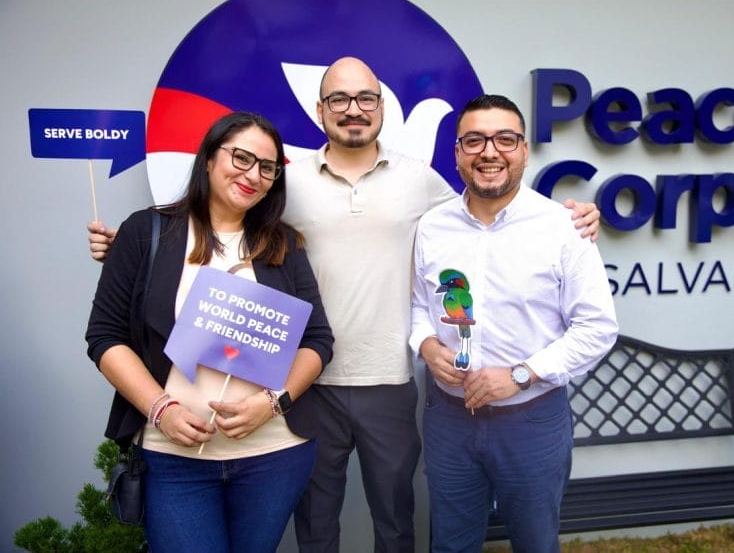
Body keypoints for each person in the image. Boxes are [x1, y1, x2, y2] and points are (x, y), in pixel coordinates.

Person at [87, 57, 602, 553]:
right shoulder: (285, 181)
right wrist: (128, 252)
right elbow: (215, 237)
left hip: (387, 379)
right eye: (339, 99)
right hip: (306, 387)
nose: (353, 109)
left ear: (382, 106)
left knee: (396, 521)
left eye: (365, 98)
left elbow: (481, 213)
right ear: (320, 110)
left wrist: (574, 216)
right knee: (315, 525)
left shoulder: (421, 181)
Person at [86, 111, 334, 552]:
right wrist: (161, 408)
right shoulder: (146, 232)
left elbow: (317, 341)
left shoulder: (284, 244)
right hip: (172, 458)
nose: (253, 175)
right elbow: (105, 337)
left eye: (267, 168)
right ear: (208, 158)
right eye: (241, 158)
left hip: (274, 456)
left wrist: (272, 403)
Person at [409, 94, 618, 553]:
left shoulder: (564, 227)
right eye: (475, 141)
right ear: (457, 153)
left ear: (524, 150)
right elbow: (420, 305)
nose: (490, 152)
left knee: (535, 543)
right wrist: (425, 344)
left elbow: (597, 328)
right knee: (450, 543)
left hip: (531, 419)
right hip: (449, 418)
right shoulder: (432, 226)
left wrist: (521, 375)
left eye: (505, 139)